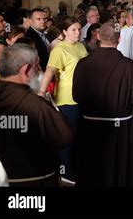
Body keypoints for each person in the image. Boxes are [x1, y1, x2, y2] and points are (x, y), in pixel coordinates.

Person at [73, 22, 133, 186]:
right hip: (119, 130)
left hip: (89, 127)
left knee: (92, 170)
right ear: (120, 39)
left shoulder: (83, 64)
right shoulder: (128, 65)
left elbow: (76, 96)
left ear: (98, 37)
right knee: (118, 171)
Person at [0, 44, 73, 186]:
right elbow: (64, 137)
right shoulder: (36, 105)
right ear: (26, 70)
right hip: (34, 181)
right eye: (37, 65)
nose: (39, 70)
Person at [39, 17, 88, 185]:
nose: (77, 32)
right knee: (67, 137)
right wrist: (41, 92)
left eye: (79, 29)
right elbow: (50, 71)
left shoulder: (81, 46)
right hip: (66, 99)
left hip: (82, 97)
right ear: (64, 32)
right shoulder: (59, 50)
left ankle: (76, 168)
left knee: (80, 137)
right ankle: (65, 171)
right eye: (73, 29)